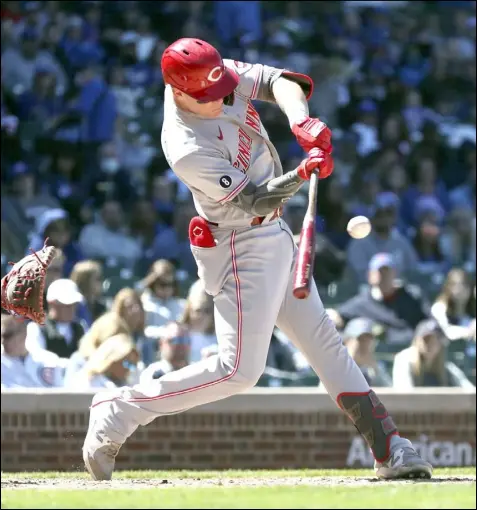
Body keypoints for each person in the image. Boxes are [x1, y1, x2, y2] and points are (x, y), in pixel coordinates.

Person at [82, 38, 431, 481]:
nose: (226, 96)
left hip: (273, 233)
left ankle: (390, 449)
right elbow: (254, 201)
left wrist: (302, 121)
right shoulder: (185, 144)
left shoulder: (212, 72)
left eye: (224, 86)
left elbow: (279, 81)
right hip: (239, 242)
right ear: (181, 93)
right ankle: (120, 410)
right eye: (212, 96)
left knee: (325, 344)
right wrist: (302, 173)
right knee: (239, 370)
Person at [392, 319, 475, 389]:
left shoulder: (444, 366)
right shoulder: (404, 360)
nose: (430, 345)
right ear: (417, 341)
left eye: (435, 340)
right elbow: (405, 394)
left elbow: (467, 388)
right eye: (426, 340)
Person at [1, 312, 65, 388]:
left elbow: (60, 393)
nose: (3, 341)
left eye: (7, 335)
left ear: (23, 334)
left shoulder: (48, 360)